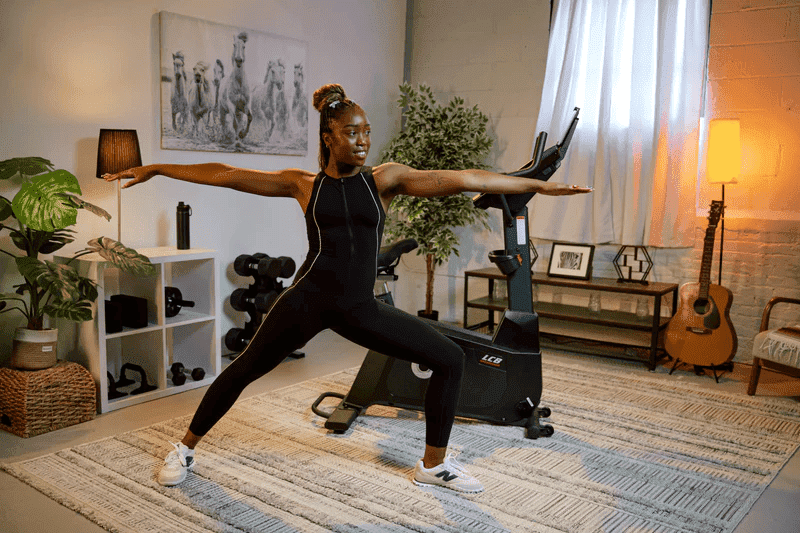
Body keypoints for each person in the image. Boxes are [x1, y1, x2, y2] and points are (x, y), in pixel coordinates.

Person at [105, 83, 591, 494]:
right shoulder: (302, 184)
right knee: (244, 370)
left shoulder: (384, 180)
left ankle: (432, 465)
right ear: (328, 137)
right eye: (351, 133)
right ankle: (184, 448)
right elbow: (228, 175)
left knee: (449, 357)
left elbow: (460, 178)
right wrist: (158, 168)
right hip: (308, 300)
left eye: (366, 132)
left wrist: (536, 186)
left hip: (360, 307)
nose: (362, 141)